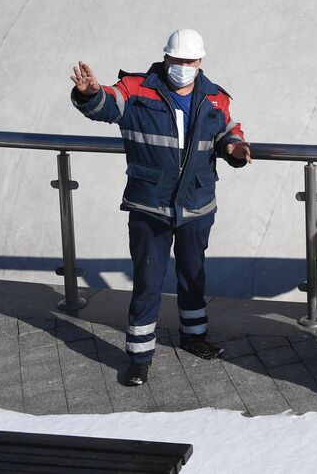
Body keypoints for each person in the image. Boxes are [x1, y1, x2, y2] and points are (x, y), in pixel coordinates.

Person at [70, 28, 251, 387]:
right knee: (148, 281)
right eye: (177, 60)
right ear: (165, 58)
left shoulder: (215, 98)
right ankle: (139, 357)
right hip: (149, 204)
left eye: (189, 61)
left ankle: (195, 336)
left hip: (197, 204)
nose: (182, 67)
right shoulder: (136, 88)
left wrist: (235, 148)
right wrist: (88, 93)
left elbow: (228, 129)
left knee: (193, 274)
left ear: (200, 62)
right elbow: (107, 105)